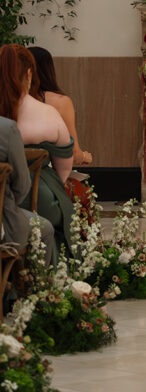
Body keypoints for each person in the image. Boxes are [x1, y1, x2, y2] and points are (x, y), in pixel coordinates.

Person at [0, 44, 74, 263]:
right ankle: (50, 279)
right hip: (38, 197)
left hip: (7, 199)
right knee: (58, 216)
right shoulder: (48, 114)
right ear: (29, 74)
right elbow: (64, 169)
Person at [0, 116, 55, 268]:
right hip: (4, 226)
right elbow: (22, 186)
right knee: (46, 229)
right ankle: (36, 290)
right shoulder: (6, 129)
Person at [30, 46, 92, 167]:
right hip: (44, 174)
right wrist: (85, 156)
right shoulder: (60, 102)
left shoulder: (11, 100)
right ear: (49, 70)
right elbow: (73, 154)